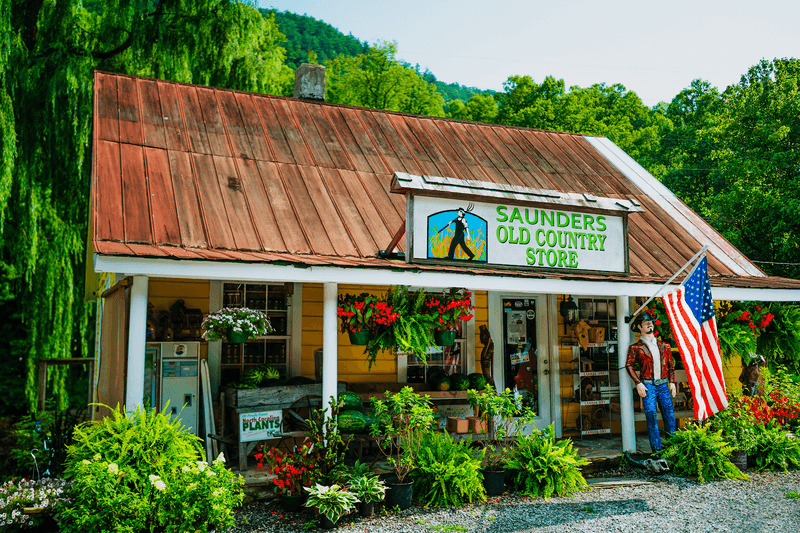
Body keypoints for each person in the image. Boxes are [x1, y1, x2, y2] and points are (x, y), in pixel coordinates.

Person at [626, 311, 676, 452]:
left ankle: (672, 448)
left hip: (663, 384)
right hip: (648, 385)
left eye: (651, 323)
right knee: (651, 415)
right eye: (646, 323)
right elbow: (629, 365)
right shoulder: (636, 348)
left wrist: (672, 382)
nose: (649, 325)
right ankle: (657, 450)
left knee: (669, 414)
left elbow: (671, 365)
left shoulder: (664, 346)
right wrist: (638, 382)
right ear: (639, 327)